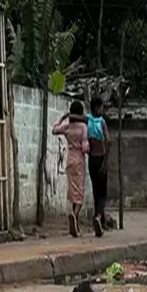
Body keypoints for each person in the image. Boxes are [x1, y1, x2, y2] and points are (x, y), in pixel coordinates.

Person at [52, 99, 90, 237]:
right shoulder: (83, 127)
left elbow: (54, 130)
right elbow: (85, 147)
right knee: (79, 192)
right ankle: (74, 214)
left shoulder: (67, 126)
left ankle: (75, 225)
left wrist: (62, 118)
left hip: (70, 159)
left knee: (72, 190)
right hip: (79, 159)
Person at [85, 96, 109, 237]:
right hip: (100, 157)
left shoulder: (87, 119)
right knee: (103, 194)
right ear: (96, 107)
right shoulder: (102, 122)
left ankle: (100, 220)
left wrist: (67, 115)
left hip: (91, 159)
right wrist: (105, 162)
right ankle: (98, 217)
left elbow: (76, 117)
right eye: (101, 107)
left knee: (95, 190)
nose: (103, 109)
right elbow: (109, 140)